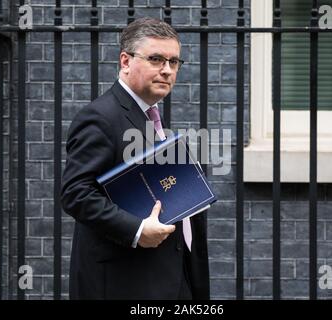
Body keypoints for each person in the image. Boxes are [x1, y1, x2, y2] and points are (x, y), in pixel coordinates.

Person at [61, 17, 209, 300]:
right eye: (156, 59)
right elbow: (75, 193)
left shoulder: (152, 118)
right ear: (125, 61)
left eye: (174, 62)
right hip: (126, 283)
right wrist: (138, 230)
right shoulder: (100, 117)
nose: (167, 70)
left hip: (175, 277)